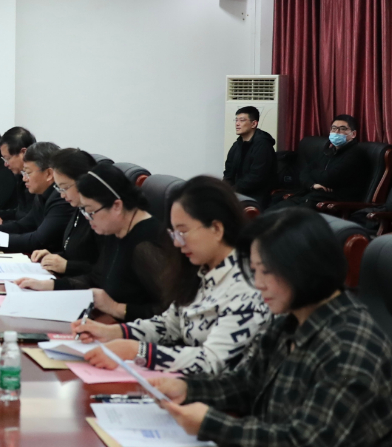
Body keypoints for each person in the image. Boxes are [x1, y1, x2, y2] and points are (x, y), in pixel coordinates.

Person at [149, 207, 392, 447]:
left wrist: (212, 424)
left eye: (266, 271)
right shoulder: (289, 322)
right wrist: (187, 388)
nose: (258, 284)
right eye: (254, 271)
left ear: (304, 267)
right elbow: (246, 384)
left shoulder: (349, 345)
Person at [76, 176, 270, 377]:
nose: (177, 243)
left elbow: (213, 362)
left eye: (183, 232)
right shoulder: (202, 271)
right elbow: (169, 325)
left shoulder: (248, 284)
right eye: (174, 234)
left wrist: (138, 351)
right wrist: (113, 332)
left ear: (216, 229)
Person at [18, 163, 175, 323]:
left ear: (117, 206)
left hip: (132, 331)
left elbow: (171, 312)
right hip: (110, 323)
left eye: (91, 211)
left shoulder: (147, 243)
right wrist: (48, 285)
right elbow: (96, 278)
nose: (88, 219)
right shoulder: (116, 229)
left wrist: (116, 308)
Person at [0, 142, 73, 254]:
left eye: (28, 173)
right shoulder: (42, 194)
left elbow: (38, 241)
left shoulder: (62, 198)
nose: (24, 179)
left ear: (49, 174)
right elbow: (23, 225)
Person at [27, 148, 101, 280]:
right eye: (59, 188)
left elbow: (103, 270)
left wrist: (67, 266)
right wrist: (53, 257)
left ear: (83, 182)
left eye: (65, 187)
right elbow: (73, 254)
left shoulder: (100, 216)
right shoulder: (79, 208)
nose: (62, 195)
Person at [272, 114, 366, 208]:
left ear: (353, 134)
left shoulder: (355, 154)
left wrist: (313, 172)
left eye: (342, 129)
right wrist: (312, 185)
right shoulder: (328, 151)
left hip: (332, 203)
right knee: (274, 204)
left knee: (283, 213)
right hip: (313, 194)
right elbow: (304, 172)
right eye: (334, 128)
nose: (337, 132)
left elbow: (329, 178)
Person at [222, 106, 277, 207]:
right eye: (236, 120)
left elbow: (256, 177)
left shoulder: (263, 145)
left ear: (253, 124)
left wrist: (233, 191)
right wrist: (225, 189)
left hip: (257, 196)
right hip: (238, 192)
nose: (237, 124)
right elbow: (228, 173)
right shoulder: (236, 145)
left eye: (242, 120)